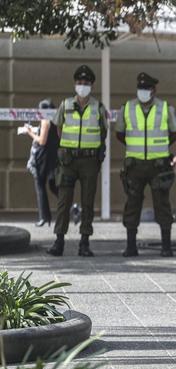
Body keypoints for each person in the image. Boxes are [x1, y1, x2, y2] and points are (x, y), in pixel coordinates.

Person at [115, 72, 176, 257]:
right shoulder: (127, 108)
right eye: (140, 88)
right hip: (134, 165)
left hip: (158, 165)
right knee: (132, 204)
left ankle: (166, 246)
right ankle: (130, 246)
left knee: (162, 205)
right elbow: (119, 133)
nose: (143, 91)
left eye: (146, 88)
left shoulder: (165, 108)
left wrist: (158, 146)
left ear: (154, 90)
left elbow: (175, 132)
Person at [47, 65, 109, 257]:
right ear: (75, 84)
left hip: (90, 161)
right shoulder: (65, 105)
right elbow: (58, 128)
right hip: (68, 161)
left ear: (92, 85)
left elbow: (103, 131)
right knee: (64, 202)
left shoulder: (98, 107)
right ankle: (59, 242)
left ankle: (84, 242)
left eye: (87, 83)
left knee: (88, 202)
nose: (83, 86)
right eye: (80, 83)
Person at [25, 99, 59, 227]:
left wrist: (30, 133)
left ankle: (44, 217)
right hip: (52, 156)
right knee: (53, 185)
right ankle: (72, 206)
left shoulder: (45, 121)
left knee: (40, 185)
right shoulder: (55, 120)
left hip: (43, 157)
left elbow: (42, 141)